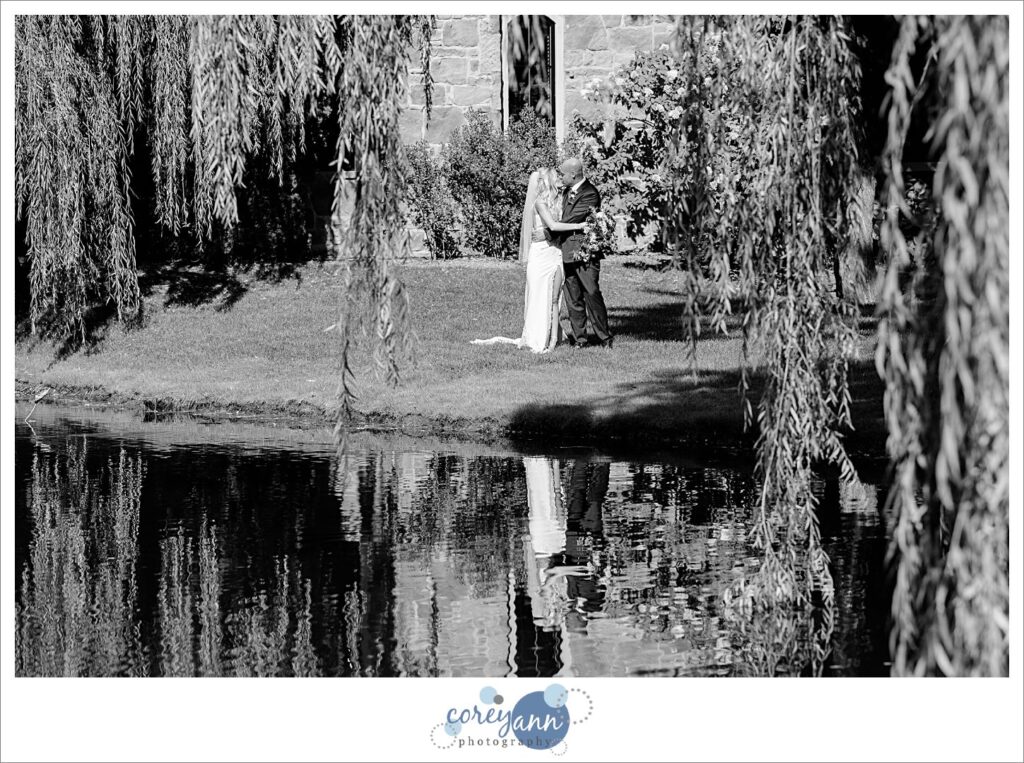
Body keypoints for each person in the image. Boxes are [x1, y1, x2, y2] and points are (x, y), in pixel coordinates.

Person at [471, 168, 585, 353]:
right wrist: (579, 226)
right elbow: (554, 225)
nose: (560, 178)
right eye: (556, 176)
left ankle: (553, 339)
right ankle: (537, 337)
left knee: (554, 298)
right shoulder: (540, 202)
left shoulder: (560, 200)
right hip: (540, 254)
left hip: (554, 253)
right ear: (548, 181)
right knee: (537, 296)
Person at [552, 158, 613, 349]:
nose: (561, 177)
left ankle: (604, 337)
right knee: (572, 296)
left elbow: (571, 218)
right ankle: (580, 339)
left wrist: (547, 229)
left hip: (584, 252)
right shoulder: (566, 191)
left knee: (591, 293)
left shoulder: (589, 193)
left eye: (562, 174)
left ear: (573, 174)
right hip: (568, 250)